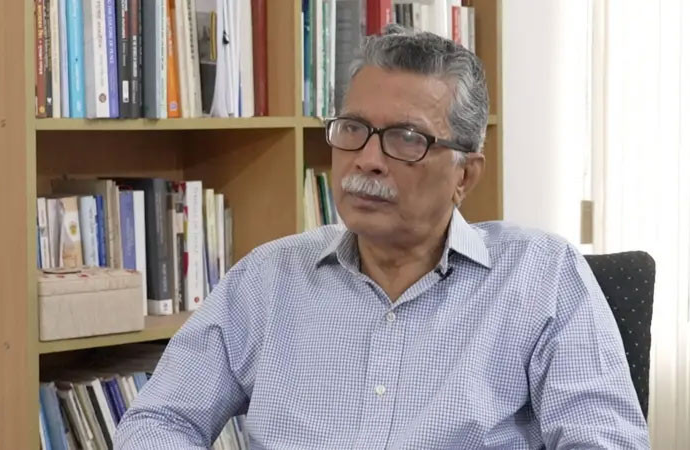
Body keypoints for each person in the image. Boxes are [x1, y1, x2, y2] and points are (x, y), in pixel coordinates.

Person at [115, 26, 649, 449]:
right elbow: (160, 420)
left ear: (465, 176)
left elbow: (604, 441)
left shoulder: (540, 275)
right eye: (353, 129)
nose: (367, 160)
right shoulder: (268, 278)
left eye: (406, 138)